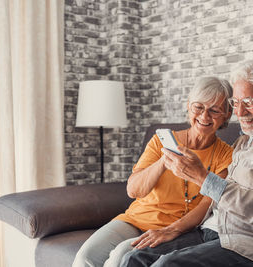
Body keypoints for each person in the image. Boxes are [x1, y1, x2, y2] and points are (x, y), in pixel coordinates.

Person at [119, 60, 253, 267]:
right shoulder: (244, 142)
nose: (240, 113)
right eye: (236, 103)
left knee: (168, 265)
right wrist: (176, 229)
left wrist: (201, 176)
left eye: (248, 102)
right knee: (134, 258)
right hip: (215, 232)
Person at [72, 77, 234, 267]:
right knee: (86, 256)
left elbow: (208, 205)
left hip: (175, 228)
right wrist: (163, 162)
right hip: (134, 220)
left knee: (120, 256)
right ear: (189, 106)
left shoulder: (227, 155)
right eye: (199, 107)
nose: (205, 116)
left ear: (226, 115)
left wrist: (172, 230)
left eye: (214, 110)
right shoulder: (161, 141)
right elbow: (133, 191)